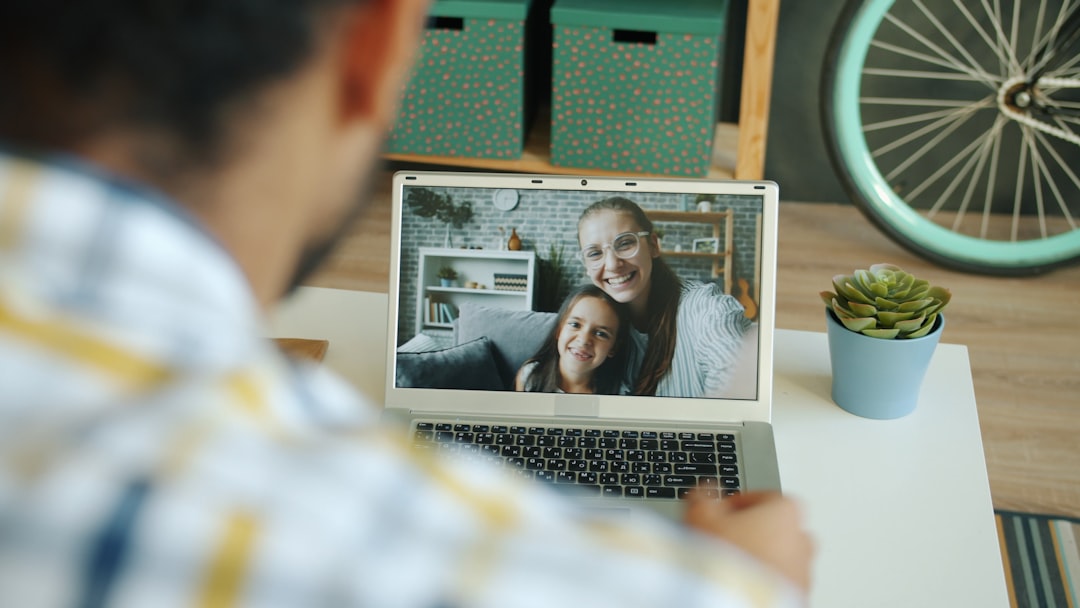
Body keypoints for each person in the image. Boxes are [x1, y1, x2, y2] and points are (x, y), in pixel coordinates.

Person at [0, 1, 813, 606]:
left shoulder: (693, 320)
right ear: (383, 48)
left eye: (626, 246)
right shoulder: (417, 544)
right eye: (596, 258)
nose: (609, 274)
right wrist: (747, 580)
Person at [577, 197, 752, 397]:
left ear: (653, 245)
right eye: (594, 253)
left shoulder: (705, 308)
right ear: (586, 267)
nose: (612, 264)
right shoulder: (595, 327)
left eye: (625, 243)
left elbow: (733, 374)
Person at [515, 284, 629, 394]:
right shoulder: (530, 376)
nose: (584, 340)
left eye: (600, 333)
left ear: (613, 347)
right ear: (559, 330)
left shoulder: (618, 394)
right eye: (575, 325)